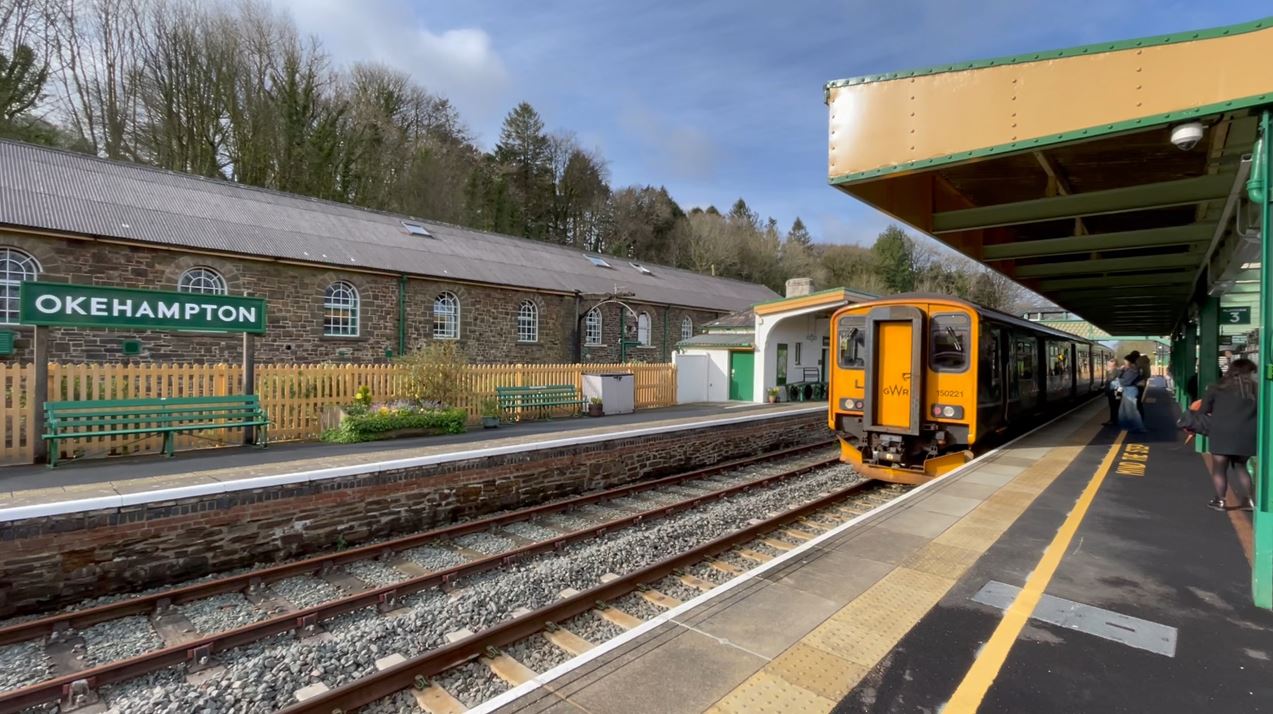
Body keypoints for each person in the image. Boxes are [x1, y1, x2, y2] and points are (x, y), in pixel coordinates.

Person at [1200, 358, 1258, 511]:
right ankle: (1249, 501)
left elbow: (1203, 410)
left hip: (1221, 432)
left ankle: (1220, 501)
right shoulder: (1256, 390)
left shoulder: (1217, 388)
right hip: (1247, 434)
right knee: (1241, 467)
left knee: (1219, 468)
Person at [1116, 353, 1144, 432]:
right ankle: (1127, 426)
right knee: (1123, 410)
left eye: (1125, 362)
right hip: (1127, 390)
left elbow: (1125, 382)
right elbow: (1119, 377)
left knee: (1131, 411)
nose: (1124, 363)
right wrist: (1121, 370)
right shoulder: (1128, 370)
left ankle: (1137, 427)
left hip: (1131, 391)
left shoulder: (1133, 371)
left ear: (1130, 362)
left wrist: (1118, 381)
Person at [1102, 358, 1121, 427]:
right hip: (1117, 390)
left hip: (1116, 390)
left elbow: (1110, 379)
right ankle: (1114, 420)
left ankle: (1114, 421)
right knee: (1114, 406)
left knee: (1114, 406)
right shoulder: (1116, 370)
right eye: (1108, 365)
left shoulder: (1115, 370)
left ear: (1114, 365)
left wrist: (1108, 371)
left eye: (1109, 365)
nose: (1108, 366)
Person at [1135, 352, 1152, 417]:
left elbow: (1138, 373)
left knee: (1137, 402)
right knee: (1139, 402)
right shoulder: (1146, 362)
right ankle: (1140, 416)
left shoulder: (1139, 363)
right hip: (1143, 383)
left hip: (1138, 384)